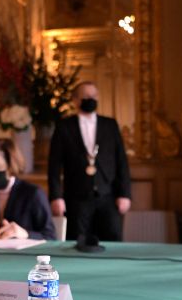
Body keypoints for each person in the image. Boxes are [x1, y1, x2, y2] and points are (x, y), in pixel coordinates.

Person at [47, 81, 132, 242]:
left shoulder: (110, 125)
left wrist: (125, 194)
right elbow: (54, 165)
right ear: (76, 100)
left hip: (108, 195)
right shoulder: (64, 126)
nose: (90, 99)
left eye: (94, 96)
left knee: (113, 239)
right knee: (77, 241)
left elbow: (122, 161)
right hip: (76, 197)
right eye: (86, 96)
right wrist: (56, 197)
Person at [0, 138, 56, 240]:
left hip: (25, 254)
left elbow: (51, 237)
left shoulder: (33, 194)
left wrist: (25, 234)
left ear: (10, 165)